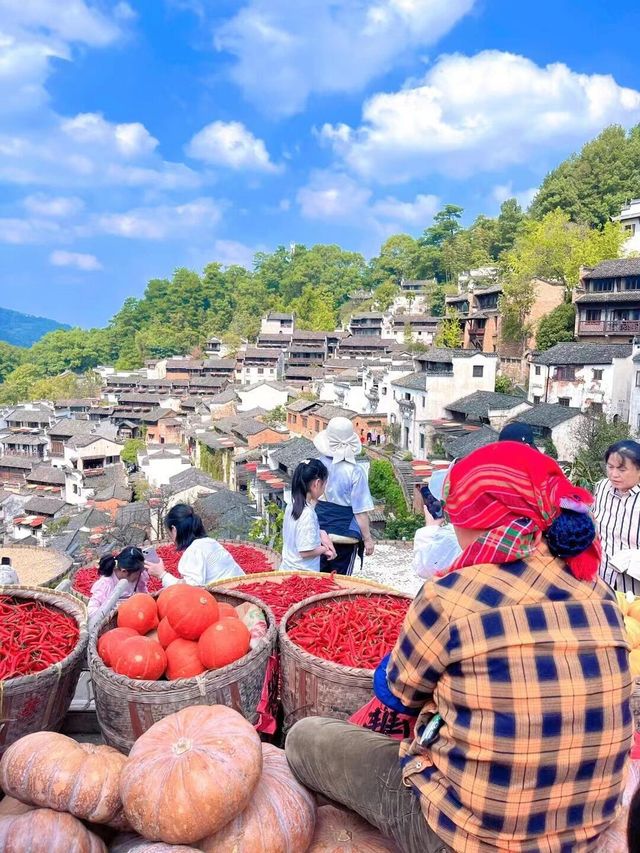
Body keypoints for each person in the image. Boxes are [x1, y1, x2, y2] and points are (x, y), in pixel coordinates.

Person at [286, 442, 632, 853]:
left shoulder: (451, 597)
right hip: (586, 831)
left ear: (472, 517)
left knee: (306, 738)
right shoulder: (599, 591)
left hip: (470, 837)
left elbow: (397, 697)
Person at [313, 416, 376, 575]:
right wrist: (367, 539)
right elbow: (360, 511)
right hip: (344, 535)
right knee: (340, 582)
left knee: (315, 579)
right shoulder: (356, 471)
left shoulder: (316, 465)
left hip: (318, 531)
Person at [146, 504, 243, 586]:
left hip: (229, 600)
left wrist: (162, 575)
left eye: (169, 533)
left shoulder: (194, 550)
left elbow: (191, 591)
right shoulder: (210, 542)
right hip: (241, 589)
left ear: (174, 530)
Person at [594, 439, 640, 596]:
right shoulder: (602, 488)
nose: (614, 474)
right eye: (610, 467)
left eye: (622, 469)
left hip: (633, 589)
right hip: (600, 579)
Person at [281, 459, 336, 572]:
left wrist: (321, 533)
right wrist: (325, 548)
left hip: (287, 569)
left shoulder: (292, 505)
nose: (324, 488)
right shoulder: (307, 514)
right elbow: (305, 552)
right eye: (324, 484)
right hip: (303, 575)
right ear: (316, 484)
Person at [88, 547, 148, 616]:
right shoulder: (106, 584)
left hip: (137, 614)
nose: (140, 575)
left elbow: (144, 594)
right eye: (138, 573)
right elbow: (91, 610)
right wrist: (111, 614)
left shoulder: (138, 576)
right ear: (124, 571)